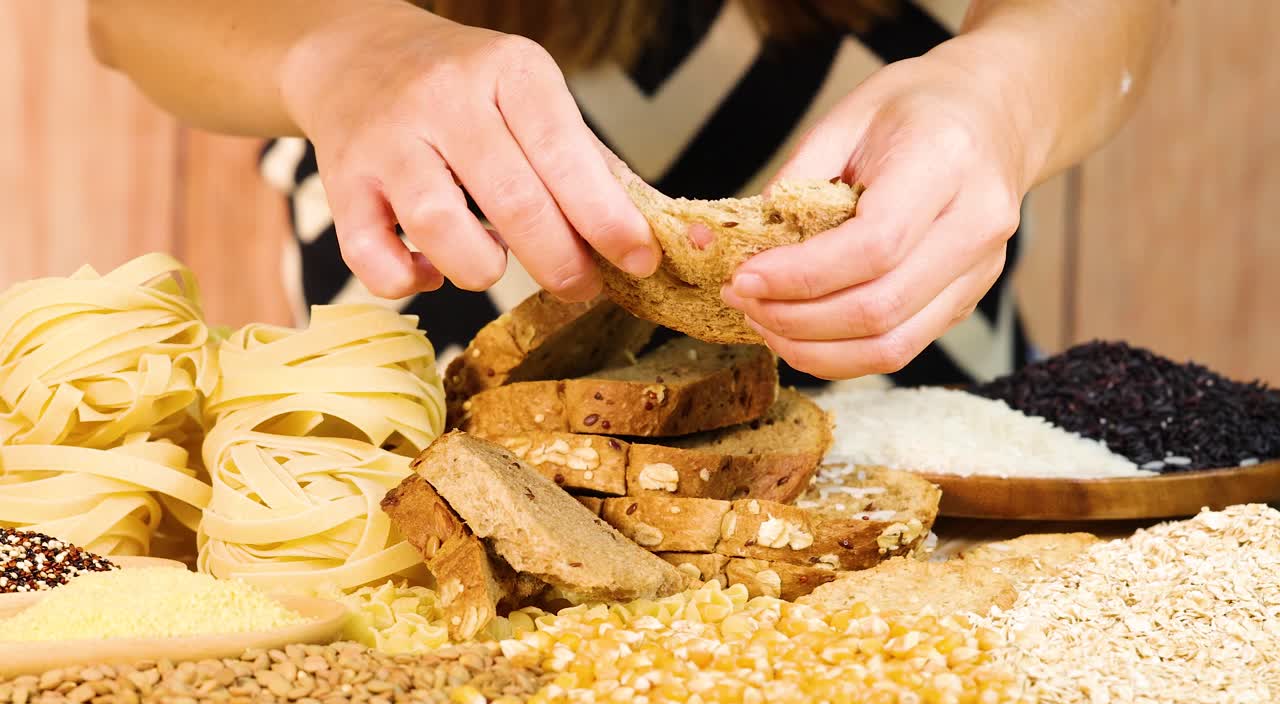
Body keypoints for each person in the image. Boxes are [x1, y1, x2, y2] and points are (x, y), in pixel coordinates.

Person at [87, 0, 1170, 387]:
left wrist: (1003, 96)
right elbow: (127, 16)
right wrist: (343, 49)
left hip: (935, 425)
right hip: (408, 458)